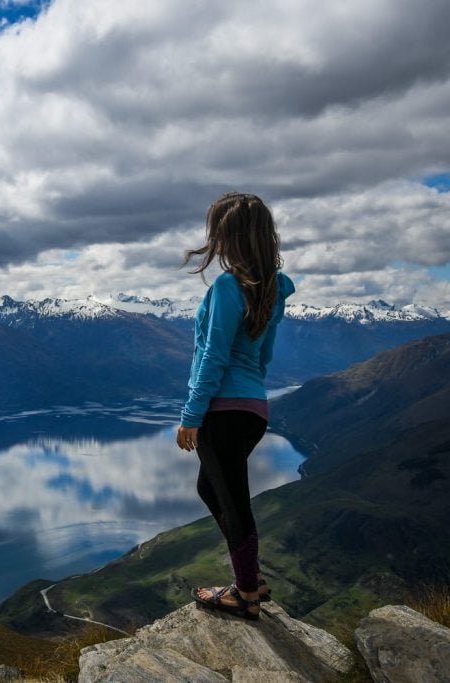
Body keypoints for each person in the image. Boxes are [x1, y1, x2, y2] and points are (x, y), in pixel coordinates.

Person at [175, 191, 296, 621]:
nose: (217, 243)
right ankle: (253, 579)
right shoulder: (272, 288)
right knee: (212, 489)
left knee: (232, 499)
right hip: (252, 410)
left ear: (235, 238)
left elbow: (213, 356)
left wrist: (192, 415)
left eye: (221, 235)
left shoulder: (229, 287)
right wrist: (253, 394)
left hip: (221, 411)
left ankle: (246, 594)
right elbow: (264, 354)